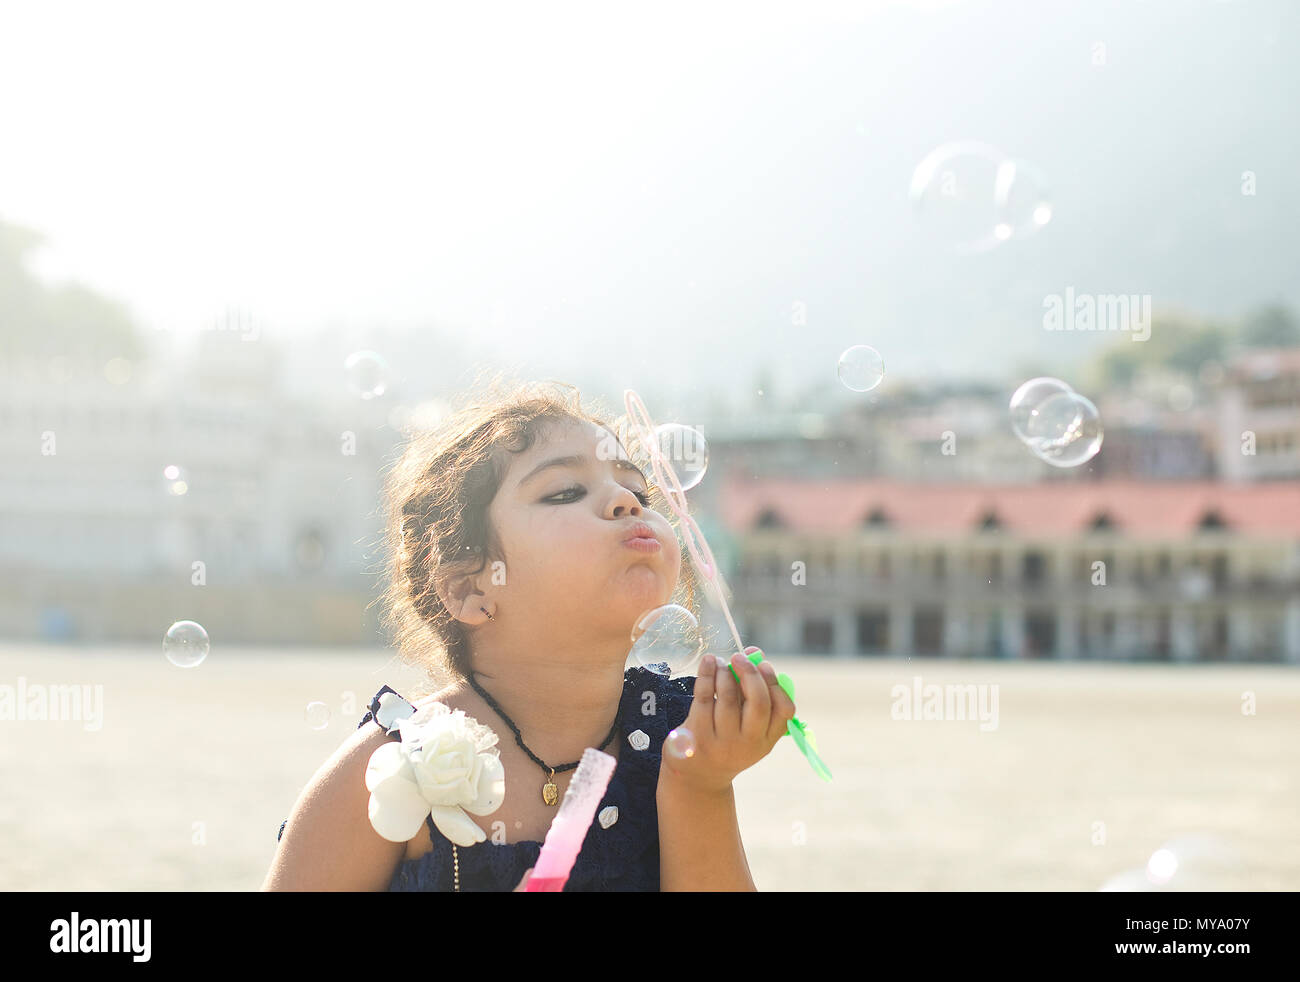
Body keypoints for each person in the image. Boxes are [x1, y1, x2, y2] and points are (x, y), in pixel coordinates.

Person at [261, 376, 795, 891]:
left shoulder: (677, 742)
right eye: (564, 492)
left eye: (638, 490)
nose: (626, 502)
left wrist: (700, 787)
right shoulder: (392, 768)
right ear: (470, 589)